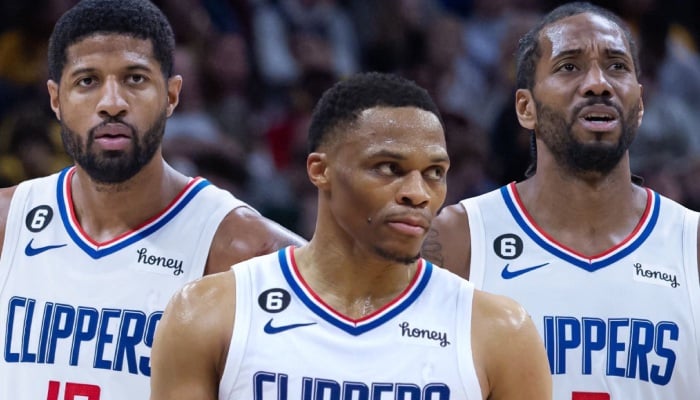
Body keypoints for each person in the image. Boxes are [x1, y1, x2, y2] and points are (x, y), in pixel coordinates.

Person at [149, 72, 552, 400]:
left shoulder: (501, 331)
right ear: (320, 170)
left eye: (435, 173)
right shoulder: (208, 312)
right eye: (389, 167)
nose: (418, 193)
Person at [0, 0, 306, 399]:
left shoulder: (242, 247)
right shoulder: (8, 223)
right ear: (56, 99)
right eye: (87, 81)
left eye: (135, 79)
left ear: (172, 95)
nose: (112, 103)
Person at [421, 2, 700, 399]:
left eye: (617, 66)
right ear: (525, 107)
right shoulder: (458, 240)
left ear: (639, 106)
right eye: (569, 66)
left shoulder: (693, 245)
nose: (598, 83)